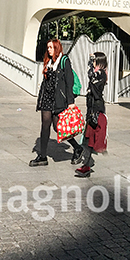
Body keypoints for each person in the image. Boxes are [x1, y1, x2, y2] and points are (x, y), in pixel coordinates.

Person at [29, 39, 76, 167]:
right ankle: (42, 157)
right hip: (46, 99)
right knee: (45, 127)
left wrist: (70, 101)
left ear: (57, 48)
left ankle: (77, 148)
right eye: (48, 47)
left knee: (58, 127)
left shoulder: (64, 61)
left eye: (51, 47)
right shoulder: (49, 62)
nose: (49, 50)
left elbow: (69, 82)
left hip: (57, 100)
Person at [77, 52, 109, 178]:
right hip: (92, 108)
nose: (92, 62)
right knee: (89, 138)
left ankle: (87, 165)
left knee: (91, 137)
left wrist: (91, 68)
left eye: (94, 60)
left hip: (96, 108)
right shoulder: (98, 72)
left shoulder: (101, 74)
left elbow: (92, 78)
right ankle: (86, 164)